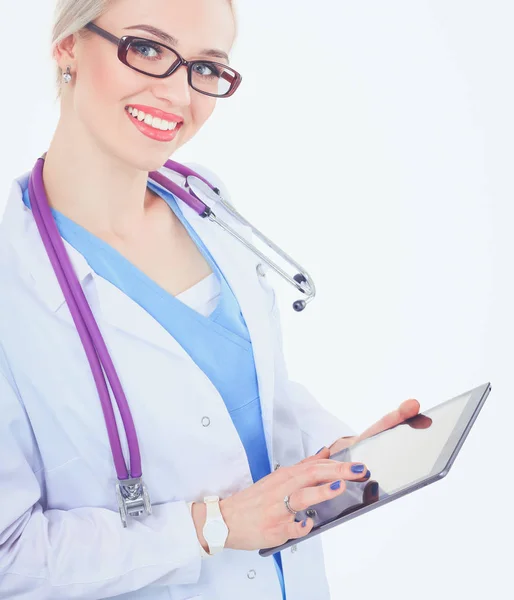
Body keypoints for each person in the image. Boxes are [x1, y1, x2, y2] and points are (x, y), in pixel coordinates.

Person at [0, 1, 420, 598]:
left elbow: (253, 394)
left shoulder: (205, 202)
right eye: (146, 49)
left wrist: (335, 456)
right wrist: (209, 527)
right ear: (68, 46)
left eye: (205, 67)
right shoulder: (14, 280)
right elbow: (8, 555)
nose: (178, 93)